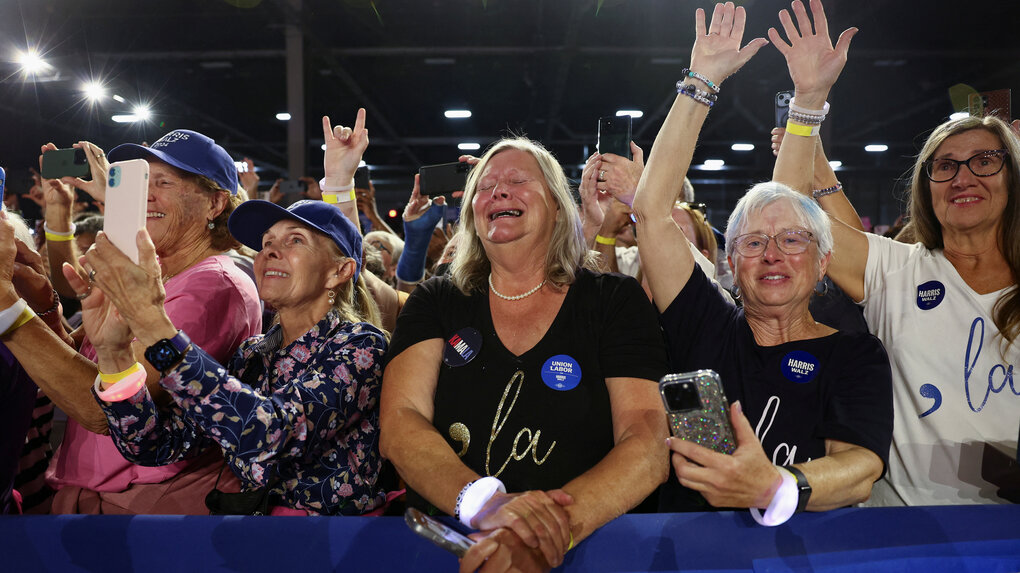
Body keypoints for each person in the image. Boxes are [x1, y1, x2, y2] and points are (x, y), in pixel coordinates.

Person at [631, 0, 891, 520]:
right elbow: (651, 210)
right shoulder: (704, 321)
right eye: (752, 243)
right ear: (730, 260)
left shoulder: (856, 354)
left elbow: (860, 466)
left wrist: (773, 485)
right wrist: (701, 80)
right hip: (690, 552)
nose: (772, 254)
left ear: (823, 262)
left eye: (793, 241)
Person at [381, 137, 669, 571]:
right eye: (484, 186)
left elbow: (646, 441)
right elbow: (401, 422)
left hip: (590, 550)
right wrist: (484, 504)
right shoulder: (437, 300)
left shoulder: (613, 300)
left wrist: (550, 530)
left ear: (557, 206)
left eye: (518, 180)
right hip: (456, 549)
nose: (498, 191)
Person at [775, 21, 1020, 507]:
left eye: (985, 160)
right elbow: (785, 213)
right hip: (904, 535)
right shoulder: (894, 268)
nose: (962, 176)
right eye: (944, 165)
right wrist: (808, 101)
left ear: (1013, 178)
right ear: (927, 188)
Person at [1, 130, 263, 514]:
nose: (147, 194)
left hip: (146, 510)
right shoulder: (155, 271)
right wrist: (43, 305)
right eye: (144, 181)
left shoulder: (213, 285)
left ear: (215, 202)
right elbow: (86, 360)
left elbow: (104, 406)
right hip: (100, 499)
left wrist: (8, 307)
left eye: (165, 183)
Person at [76, 197, 388, 515]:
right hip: (253, 540)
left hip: (332, 547)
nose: (270, 252)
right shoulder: (253, 354)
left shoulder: (360, 345)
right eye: (267, 243)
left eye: (295, 240)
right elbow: (154, 445)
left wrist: (156, 327)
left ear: (340, 270)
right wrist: (113, 355)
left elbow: (268, 435)